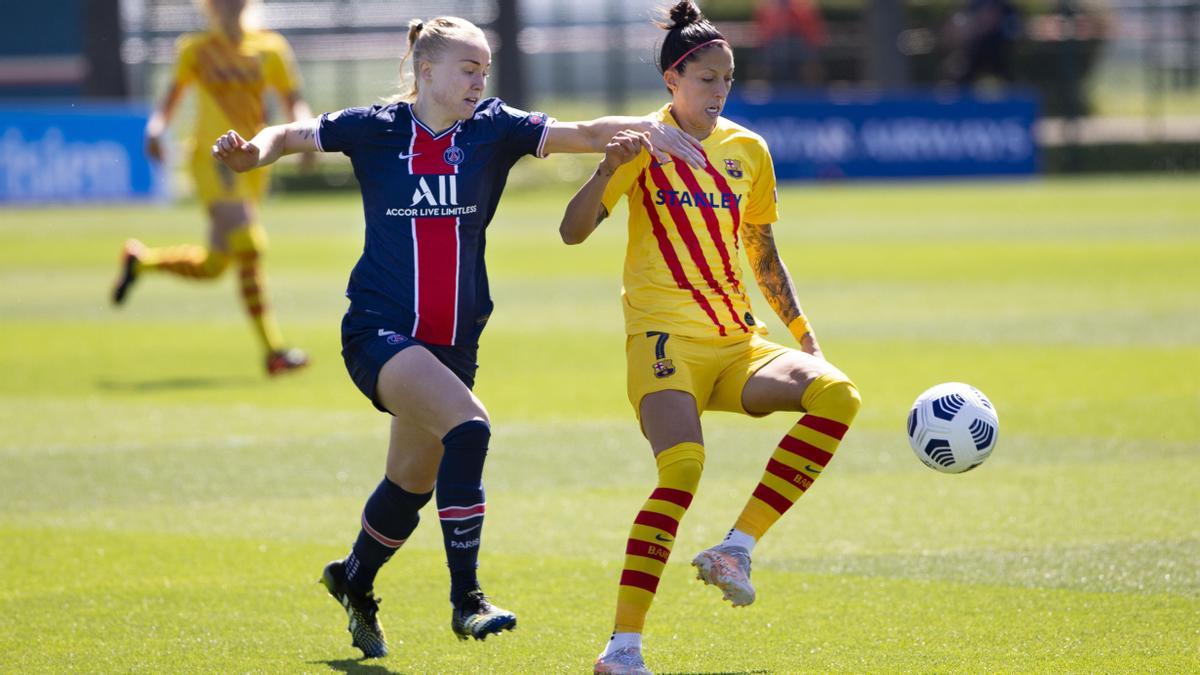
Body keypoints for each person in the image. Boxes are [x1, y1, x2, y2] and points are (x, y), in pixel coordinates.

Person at [212, 15, 705, 660]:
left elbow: (583, 132)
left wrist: (657, 130)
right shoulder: (379, 127)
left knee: (410, 484)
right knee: (470, 428)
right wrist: (254, 150)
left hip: (454, 343)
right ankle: (466, 599)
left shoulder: (493, 128)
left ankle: (354, 578)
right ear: (426, 71)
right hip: (379, 332)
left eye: (484, 71)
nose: (479, 80)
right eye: (468, 69)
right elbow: (295, 132)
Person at [557, 3, 862, 673]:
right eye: (706, 79)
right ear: (673, 78)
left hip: (736, 342)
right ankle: (623, 647)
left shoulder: (748, 149)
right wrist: (607, 168)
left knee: (839, 394)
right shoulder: (644, 142)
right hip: (664, 341)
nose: (719, 90)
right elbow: (572, 230)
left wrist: (807, 340)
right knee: (684, 469)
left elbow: (763, 252)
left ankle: (736, 547)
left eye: (727, 78)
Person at [112, 0, 311, 376]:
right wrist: (156, 129)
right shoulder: (196, 49)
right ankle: (273, 351)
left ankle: (141, 261)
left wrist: (305, 133)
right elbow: (170, 99)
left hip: (253, 162)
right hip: (211, 159)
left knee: (215, 264)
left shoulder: (270, 48)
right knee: (249, 244)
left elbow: (293, 100)